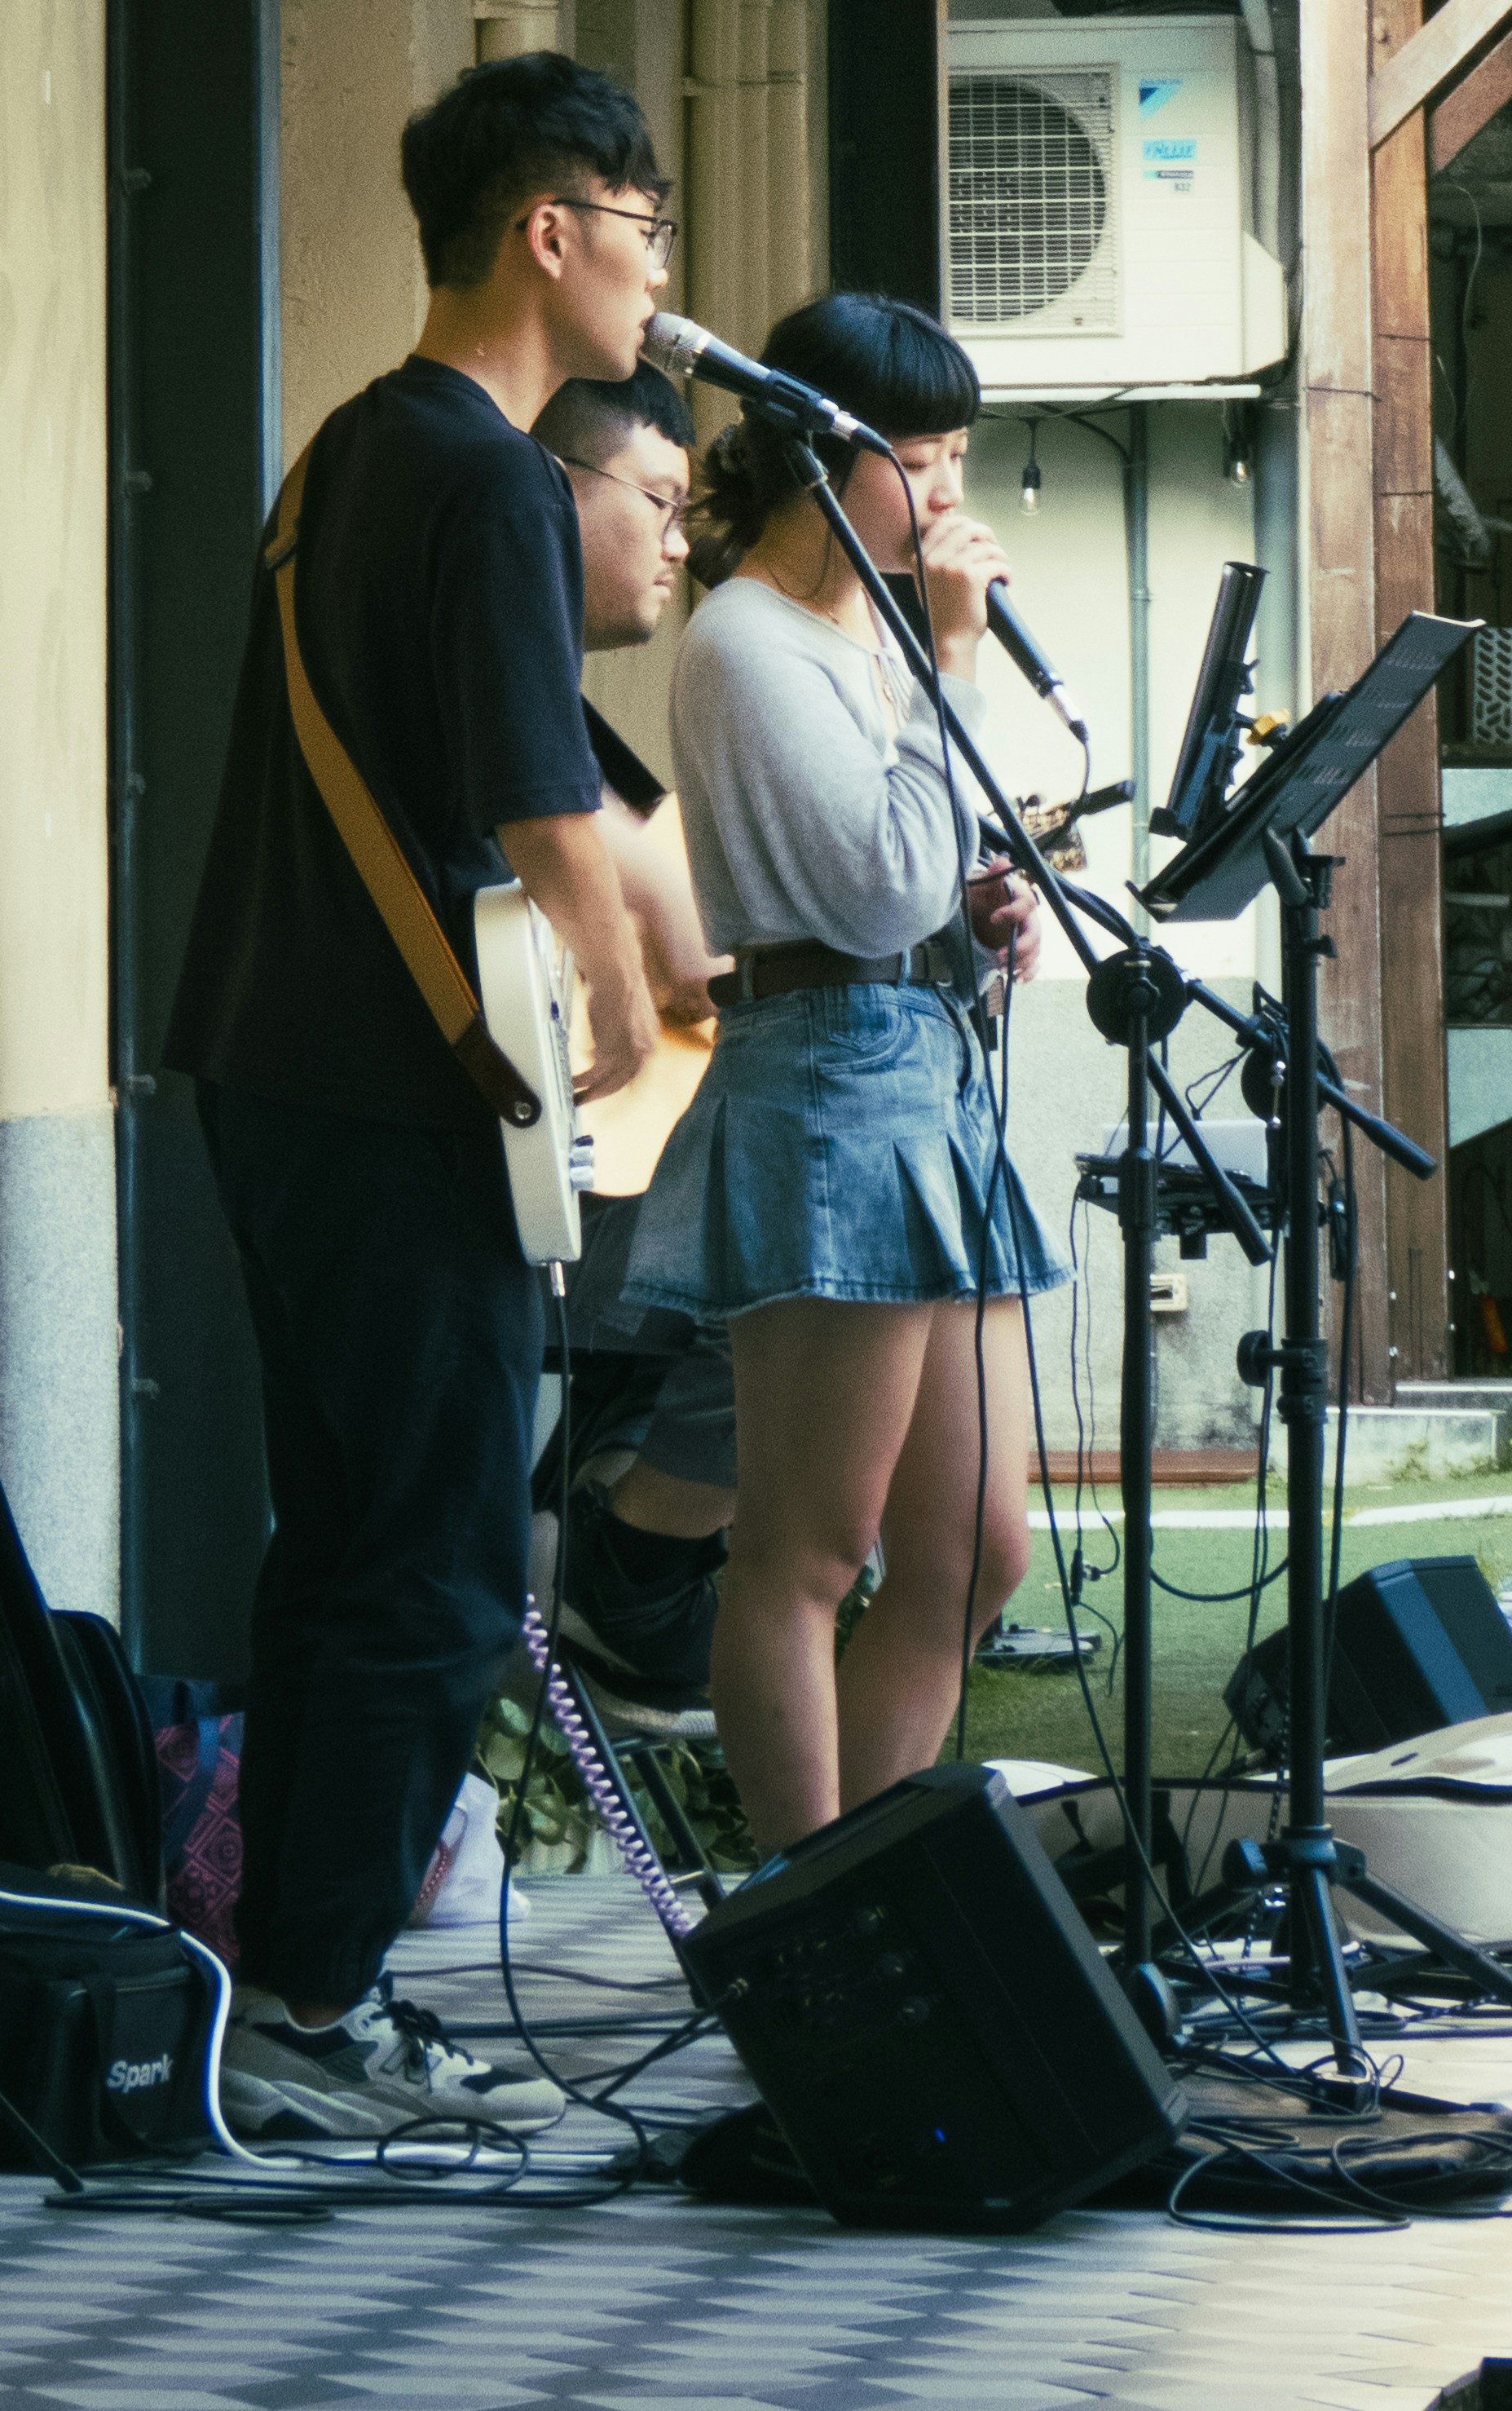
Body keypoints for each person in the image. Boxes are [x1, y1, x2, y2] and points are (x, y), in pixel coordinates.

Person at [169, 54, 667, 2137]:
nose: (658, 276)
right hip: (395, 1087)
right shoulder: (488, 477)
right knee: (447, 1560)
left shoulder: (344, 457)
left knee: (348, 1543)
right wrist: (627, 1014)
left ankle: (297, 1983)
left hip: (281, 1068)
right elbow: (539, 795)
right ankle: (306, 2004)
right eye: (642, 229)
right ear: (547, 232)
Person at [620, 291, 1059, 1854]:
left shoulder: (872, 629)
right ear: (823, 450)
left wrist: (979, 906)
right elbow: (866, 889)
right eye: (922, 458)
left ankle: (884, 1877)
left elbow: (913, 872)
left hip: (925, 1062)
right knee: (812, 1548)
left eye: (954, 457)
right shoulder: (747, 639)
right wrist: (951, 659)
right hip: (823, 1078)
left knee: (979, 1543)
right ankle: (805, 1911)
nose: (947, 496)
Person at [529, 366, 739, 1712]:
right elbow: (703, 957)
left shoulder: (571, 712)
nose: (680, 540)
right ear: (559, 493)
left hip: (590, 1182)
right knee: (823, 1281)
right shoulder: (519, 707)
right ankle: (626, 1549)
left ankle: (635, 1519)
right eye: (660, 501)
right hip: (556, 1202)